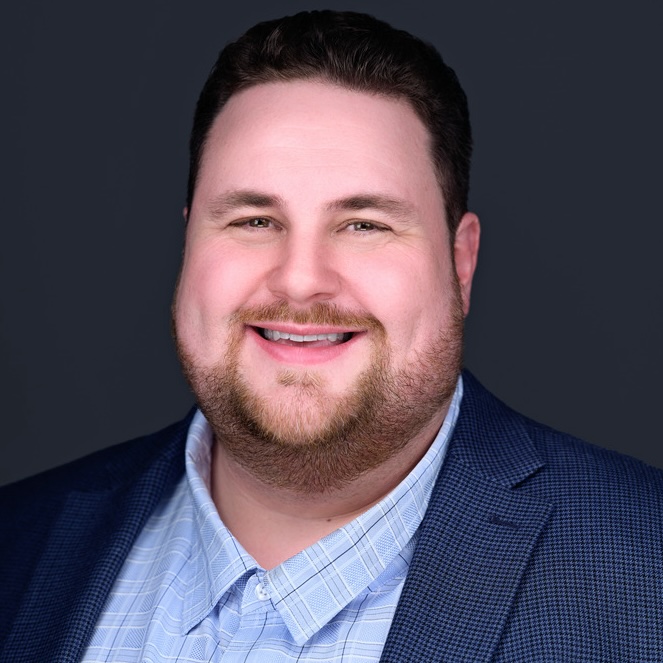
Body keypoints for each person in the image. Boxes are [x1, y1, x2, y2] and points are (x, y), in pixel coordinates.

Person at [1, 10, 661, 662]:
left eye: (364, 224)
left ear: (460, 265)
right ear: (187, 243)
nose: (300, 281)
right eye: (253, 220)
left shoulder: (645, 573)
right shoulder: (21, 541)